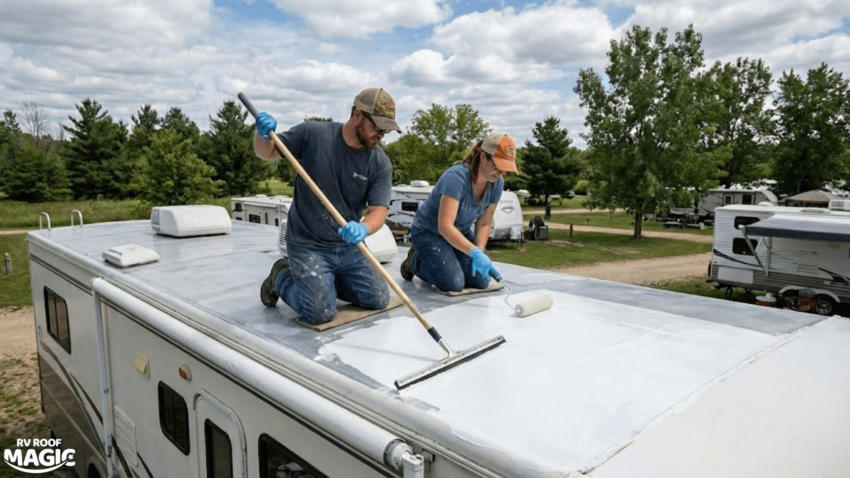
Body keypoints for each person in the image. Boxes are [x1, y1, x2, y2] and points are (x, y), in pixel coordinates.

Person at [253, 87, 401, 324]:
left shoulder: (379, 162)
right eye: (378, 126)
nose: (382, 134)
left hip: (349, 247)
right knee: (319, 313)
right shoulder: (313, 134)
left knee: (378, 298)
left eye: (387, 129)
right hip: (308, 244)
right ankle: (281, 275)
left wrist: (364, 228)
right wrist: (262, 135)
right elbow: (267, 152)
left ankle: (326, 282)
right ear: (357, 114)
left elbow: (379, 210)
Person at [400, 133, 518, 291]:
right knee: (453, 283)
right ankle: (415, 262)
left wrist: (480, 252)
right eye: (497, 166)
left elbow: (484, 222)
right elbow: (445, 226)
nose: (500, 173)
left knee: (481, 280)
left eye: (505, 170)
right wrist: (473, 252)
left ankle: (447, 259)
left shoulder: (496, 184)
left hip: (459, 233)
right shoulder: (457, 177)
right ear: (483, 156)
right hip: (429, 232)